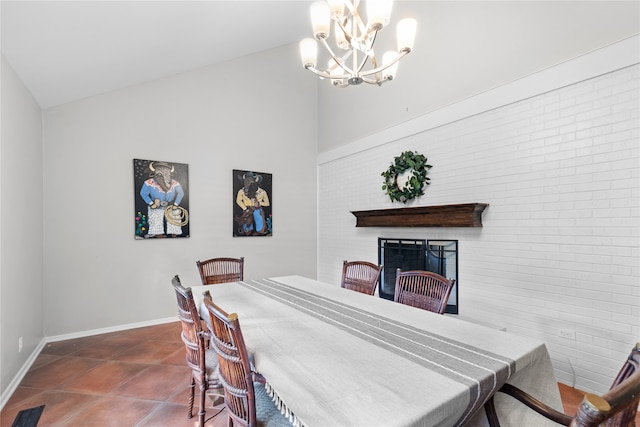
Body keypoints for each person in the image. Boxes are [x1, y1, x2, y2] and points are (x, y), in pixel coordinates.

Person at [139, 161, 185, 237]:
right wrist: (151, 203)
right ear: (155, 171)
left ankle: (174, 234)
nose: (163, 172)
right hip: (156, 205)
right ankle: (158, 234)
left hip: (171, 205)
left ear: (169, 172)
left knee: (174, 221)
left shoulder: (174, 183)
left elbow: (181, 193)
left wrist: (176, 204)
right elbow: (143, 193)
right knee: (155, 220)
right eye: (160, 170)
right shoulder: (149, 182)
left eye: (165, 170)